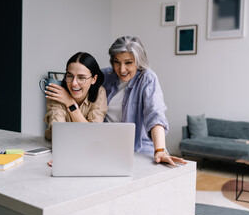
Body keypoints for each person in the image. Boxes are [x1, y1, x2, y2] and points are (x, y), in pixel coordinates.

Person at [102, 36, 186, 166]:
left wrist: (160, 150)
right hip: (108, 148)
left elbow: (155, 114)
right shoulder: (105, 76)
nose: (122, 69)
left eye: (128, 62)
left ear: (139, 61)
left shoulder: (147, 78)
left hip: (141, 150)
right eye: (117, 62)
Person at [44, 52, 107, 140]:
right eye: (70, 76)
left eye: (81, 78)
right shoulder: (57, 92)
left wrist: (70, 102)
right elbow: (59, 134)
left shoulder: (99, 92)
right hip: (58, 147)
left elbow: (93, 134)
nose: (74, 83)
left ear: (94, 79)